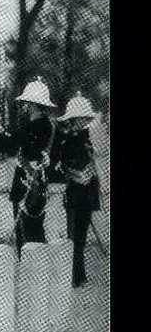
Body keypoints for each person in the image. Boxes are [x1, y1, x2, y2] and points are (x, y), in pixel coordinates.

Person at [52, 94, 101, 287]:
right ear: (72, 120)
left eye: (84, 119)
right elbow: (63, 166)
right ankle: (74, 276)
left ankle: (79, 276)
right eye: (79, 119)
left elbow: (90, 167)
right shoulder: (68, 141)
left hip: (85, 195)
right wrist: (77, 174)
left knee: (80, 238)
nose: (83, 122)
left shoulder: (86, 139)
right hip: (75, 194)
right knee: (74, 238)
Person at [10, 78, 56, 253]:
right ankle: (32, 265)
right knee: (31, 230)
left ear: (32, 104)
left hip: (29, 182)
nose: (23, 106)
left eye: (26, 102)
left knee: (27, 231)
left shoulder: (39, 126)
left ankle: (29, 266)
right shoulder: (38, 125)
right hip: (33, 181)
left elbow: (31, 151)